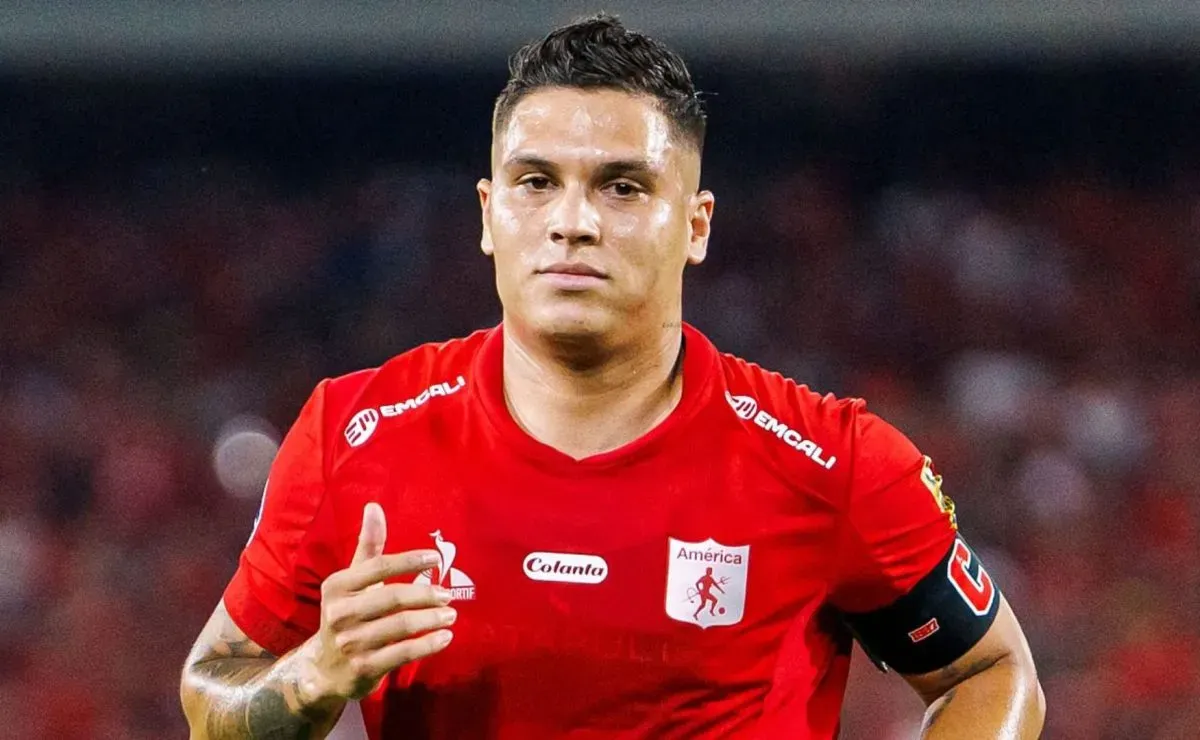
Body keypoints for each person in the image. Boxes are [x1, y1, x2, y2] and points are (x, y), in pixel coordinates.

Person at [180, 13, 1044, 739]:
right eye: (536, 182)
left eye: (622, 188)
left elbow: (993, 672)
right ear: (488, 213)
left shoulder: (831, 462)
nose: (573, 222)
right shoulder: (356, 432)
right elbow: (211, 691)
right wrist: (310, 677)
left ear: (696, 225)